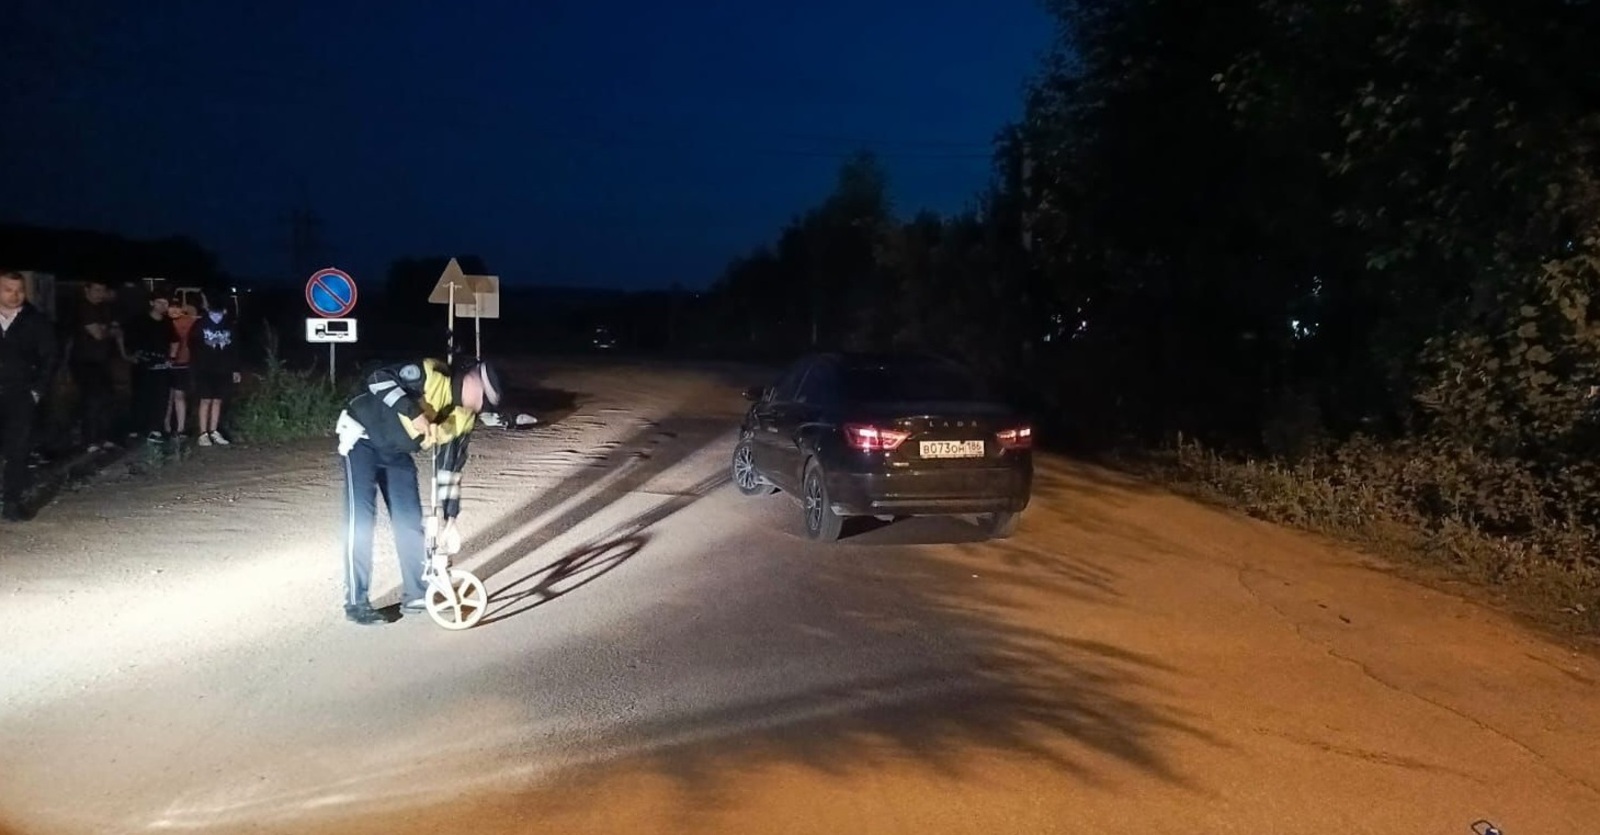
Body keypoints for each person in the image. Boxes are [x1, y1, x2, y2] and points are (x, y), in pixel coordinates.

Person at [333, 356, 502, 625]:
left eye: (486, 404)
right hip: (362, 439)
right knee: (362, 521)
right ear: (471, 380)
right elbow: (377, 379)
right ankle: (356, 602)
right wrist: (414, 413)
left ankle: (417, 594)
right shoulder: (429, 375)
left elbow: (450, 469)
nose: (481, 406)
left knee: (410, 522)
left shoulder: (463, 419)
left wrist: (450, 518)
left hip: (398, 453)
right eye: (482, 397)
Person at [0, 270, 59, 522]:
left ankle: (12, 501)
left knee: (18, 449)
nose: (15, 295)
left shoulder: (35, 321)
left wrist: (37, 390)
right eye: (8, 289)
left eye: (19, 290)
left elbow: (50, 357)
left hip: (20, 394)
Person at [65, 279, 121, 453]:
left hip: (101, 360)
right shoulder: (84, 308)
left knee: (107, 398)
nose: (100, 294)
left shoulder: (104, 308)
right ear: (87, 290)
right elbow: (98, 333)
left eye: (102, 290)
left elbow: (114, 329)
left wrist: (109, 331)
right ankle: (90, 440)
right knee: (92, 400)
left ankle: (103, 437)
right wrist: (109, 331)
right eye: (96, 290)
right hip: (85, 361)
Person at [185, 287, 240, 446]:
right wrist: (195, 365)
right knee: (206, 400)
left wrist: (235, 368)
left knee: (217, 400)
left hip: (223, 368)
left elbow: (235, 347)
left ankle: (213, 431)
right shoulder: (200, 324)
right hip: (204, 368)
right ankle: (203, 434)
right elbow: (192, 345)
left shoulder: (229, 324)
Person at [124, 292, 172, 443]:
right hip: (142, 364)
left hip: (161, 365)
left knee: (160, 397)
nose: (163, 306)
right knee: (141, 396)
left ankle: (155, 429)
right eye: (159, 302)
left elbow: (173, 341)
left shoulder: (167, 322)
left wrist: (170, 357)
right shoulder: (139, 320)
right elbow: (127, 339)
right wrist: (130, 355)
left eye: (165, 303)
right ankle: (136, 428)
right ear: (152, 303)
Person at [165, 298, 197, 439]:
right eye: (171, 307)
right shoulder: (164, 322)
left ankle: (180, 428)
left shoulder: (189, 321)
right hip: (165, 364)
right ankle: (165, 427)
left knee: (179, 396)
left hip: (183, 364)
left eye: (177, 307)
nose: (174, 310)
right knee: (167, 398)